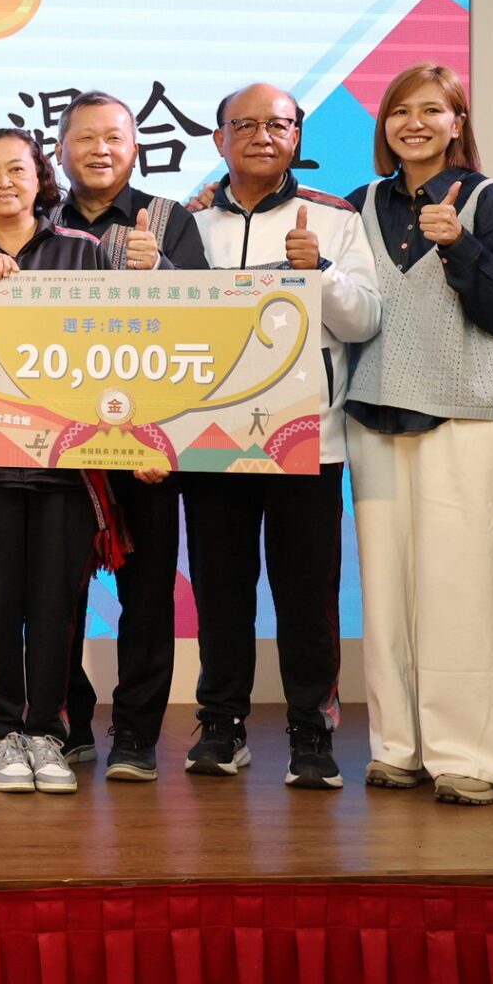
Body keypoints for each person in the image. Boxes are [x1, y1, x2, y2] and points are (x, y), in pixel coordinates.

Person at [184, 82, 380, 790]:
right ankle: (222, 724)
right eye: (245, 124)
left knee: (307, 596)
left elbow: (365, 320)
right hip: (208, 437)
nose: (263, 135)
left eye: (279, 124)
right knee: (221, 592)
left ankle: (311, 731)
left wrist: (317, 273)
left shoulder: (334, 217)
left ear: (297, 136)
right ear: (219, 139)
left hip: (307, 438)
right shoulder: (188, 222)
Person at [345, 63, 493, 806]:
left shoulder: (490, 199)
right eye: (399, 111)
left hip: (466, 421)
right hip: (373, 418)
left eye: (431, 110)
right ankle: (398, 747)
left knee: (461, 592)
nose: (413, 124)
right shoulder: (360, 204)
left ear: (458, 122)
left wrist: (458, 244)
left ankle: (470, 758)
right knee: (386, 598)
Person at [0, 129, 116, 796]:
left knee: (59, 603)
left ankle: (48, 733)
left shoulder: (83, 252)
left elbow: (112, 349)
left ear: (41, 178)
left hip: (70, 467)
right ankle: (5, 731)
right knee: (0, 603)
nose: (4, 181)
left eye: (17, 168)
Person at [49, 91, 209, 783]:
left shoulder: (169, 220)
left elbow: (206, 323)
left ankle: (138, 733)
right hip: (61, 445)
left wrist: (160, 271)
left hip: (147, 443)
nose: (100, 149)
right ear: (60, 149)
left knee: (145, 593)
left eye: (114, 137)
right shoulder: (39, 217)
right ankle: (69, 722)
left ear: (136, 147)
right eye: (85, 137)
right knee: (56, 591)